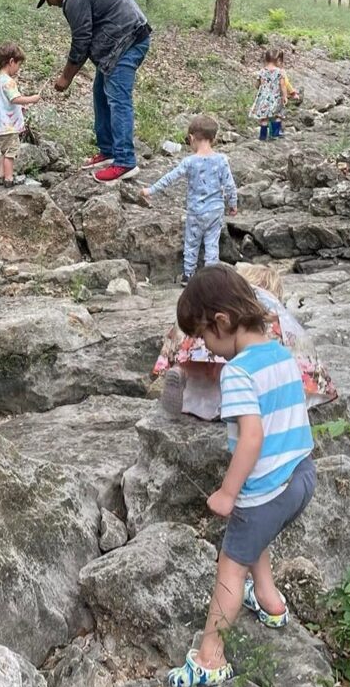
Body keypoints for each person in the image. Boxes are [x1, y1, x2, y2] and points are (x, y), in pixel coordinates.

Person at [165, 265, 316, 687]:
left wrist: (228, 492)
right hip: (302, 475)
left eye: (204, 337)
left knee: (230, 565)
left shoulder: (237, 372)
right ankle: (270, 601)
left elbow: (251, 437)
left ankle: (211, 656)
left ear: (222, 322)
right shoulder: (282, 354)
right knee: (256, 534)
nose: (208, 349)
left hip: (263, 488)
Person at [151, 263, 338, 420]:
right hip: (242, 360)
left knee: (205, 366)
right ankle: (229, 403)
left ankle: (182, 370)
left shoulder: (210, 298)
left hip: (196, 339)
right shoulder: (266, 306)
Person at [35, 0, 151, 183]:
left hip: (128, 41)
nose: (50, 4)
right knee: (100, 93)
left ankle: (125, 162)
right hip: (116, 43)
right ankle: (108, 151)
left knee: (118, 100)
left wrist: (65, 78)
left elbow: (81, 42)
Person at [141, 114, 238, 280]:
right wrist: (233, 204)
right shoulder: (221, 160)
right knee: (212, 244)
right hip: (215, 210)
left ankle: (188, 275)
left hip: (196, 211)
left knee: (192, 243)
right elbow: (229, 185)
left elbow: (170, 178)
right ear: (213, 138)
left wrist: (151, 190)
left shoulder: (189, 162)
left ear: (192, 138)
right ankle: (212, 277)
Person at [0, 41, 42, 186]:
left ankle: (0, 176)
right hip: (8, 127)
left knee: (4, 152)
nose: (18, 69)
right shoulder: (8, 81)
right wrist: (32, 99)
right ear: (11, 62)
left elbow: (5, 102)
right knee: (11, 152)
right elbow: (15, 98)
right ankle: (9, 179)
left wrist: (20, 108)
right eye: (18, 65)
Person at [250, 47, 298, 140]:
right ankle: (275, 133)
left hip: (263, 97)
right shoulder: (280, 72)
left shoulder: (262, 71)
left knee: (264, 118)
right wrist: (285, 96)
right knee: (277, 115)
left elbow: (257, 84)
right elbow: (283, 85)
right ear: (279, 60)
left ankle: (263, 136)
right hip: (275, 97)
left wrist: (261, 89)